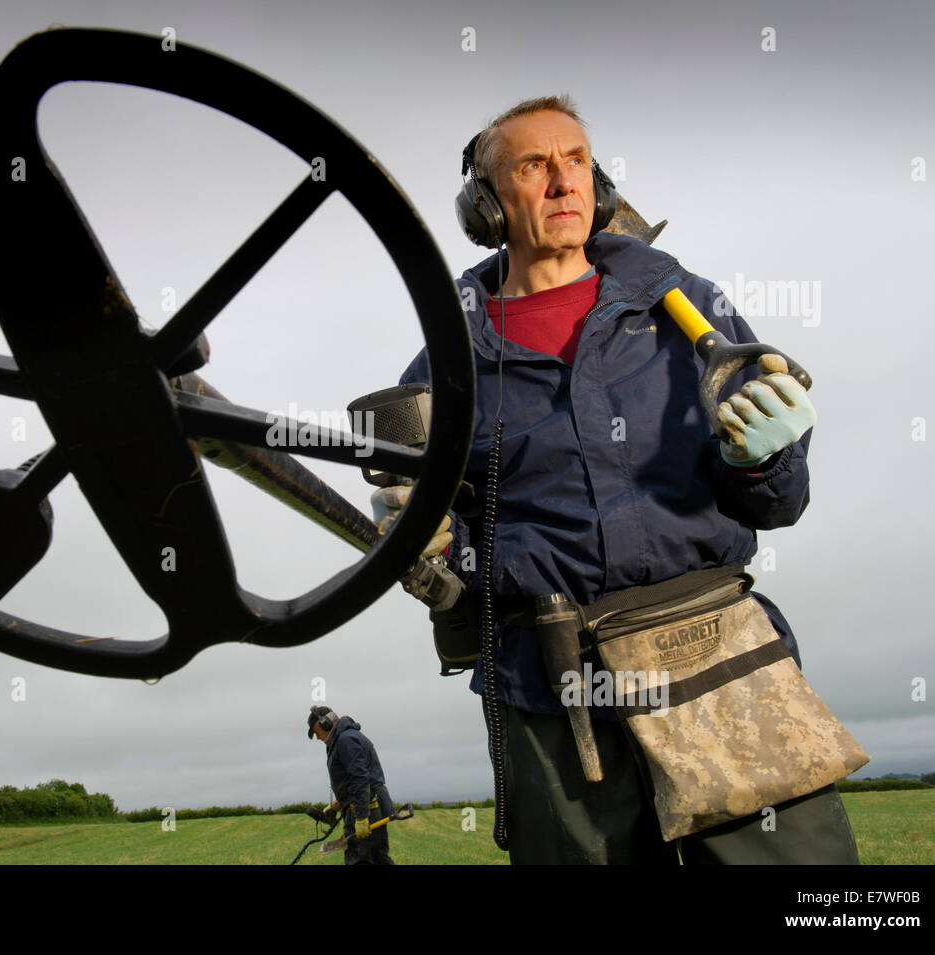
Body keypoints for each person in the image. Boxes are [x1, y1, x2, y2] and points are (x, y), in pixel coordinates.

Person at [386, 95, 861, 865]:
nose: (562, 182)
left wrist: (762, 459)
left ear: (599, 184)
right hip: (550, 686)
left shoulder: (686, 307)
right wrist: (428, 544)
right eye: (533, 166)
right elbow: (439, 535)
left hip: (720, 661)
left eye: (575, 161)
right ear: (486, 206)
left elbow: (781, 503)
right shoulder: (450, 356)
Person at [306, 705, 395, 865]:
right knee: (378, 858)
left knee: (360, 859)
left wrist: (361, 817)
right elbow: (351, 779)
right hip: (365, 805)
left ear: (324, 723)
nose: (317, 737)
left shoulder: (345, 740)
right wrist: (338, 805)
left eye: (316, 731)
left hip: (366, 807)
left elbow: (360, 779)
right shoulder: (344, 739)